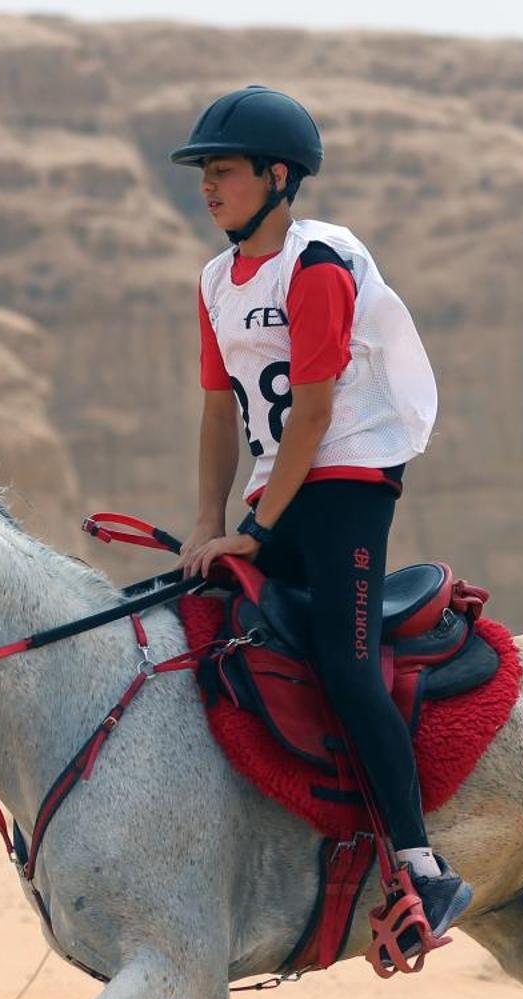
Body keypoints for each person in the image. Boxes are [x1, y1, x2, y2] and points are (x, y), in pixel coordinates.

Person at [172, 84, 472, 947]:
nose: (207, 187)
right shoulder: (212, 281)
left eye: (222, 171)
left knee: (344, 663)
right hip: (279, 489)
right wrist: (206, 522)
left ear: (276, 176)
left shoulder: (319, 265)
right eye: (204, 173)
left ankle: (422, 869)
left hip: (343, 480)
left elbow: (310, 413)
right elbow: (216, 411)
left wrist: (257, 533)